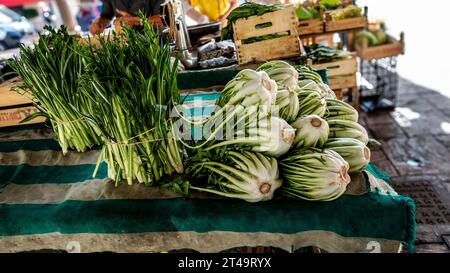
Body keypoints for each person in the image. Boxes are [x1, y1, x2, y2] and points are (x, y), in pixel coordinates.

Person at [89, 0, 165, 35]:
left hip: (154, 43)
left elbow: (163, 19)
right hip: (125, 42)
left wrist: (139, 21)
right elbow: (106, 16)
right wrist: (98, 23)